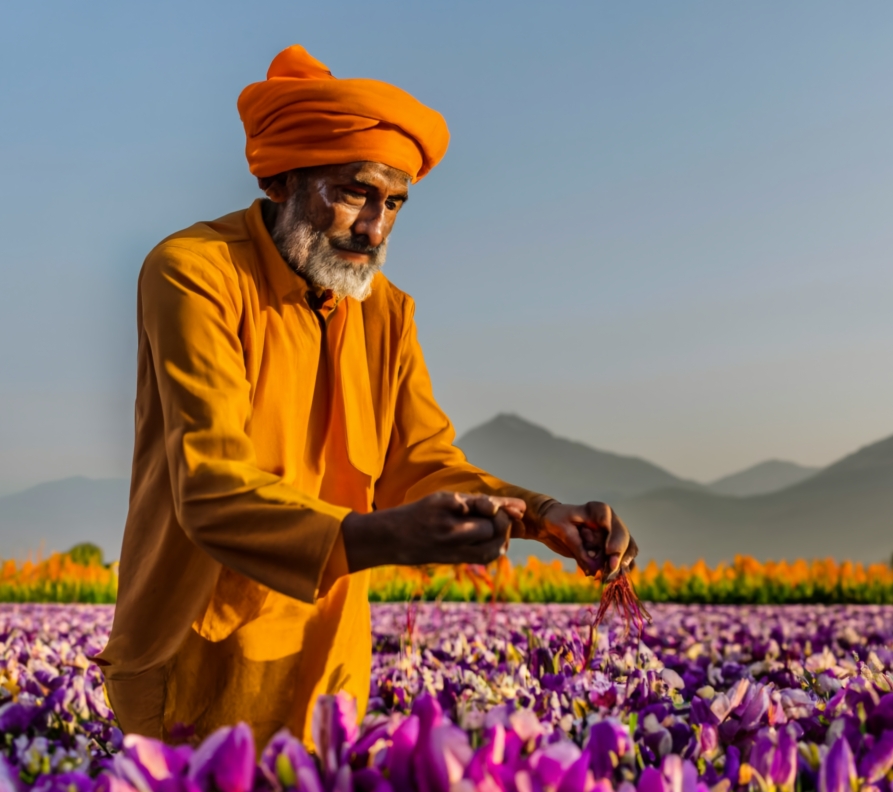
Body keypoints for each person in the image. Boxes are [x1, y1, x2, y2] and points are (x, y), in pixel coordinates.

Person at [97, 45, 637, 749]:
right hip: (194, 668)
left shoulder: (385, 310)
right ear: (286, 179)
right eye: (354, 192)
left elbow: (422, 464)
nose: (375, 229)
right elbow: (212, 490)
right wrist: (386, 536)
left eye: (394, 203)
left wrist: (543, 514)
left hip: (325, 678)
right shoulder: (196, 274)